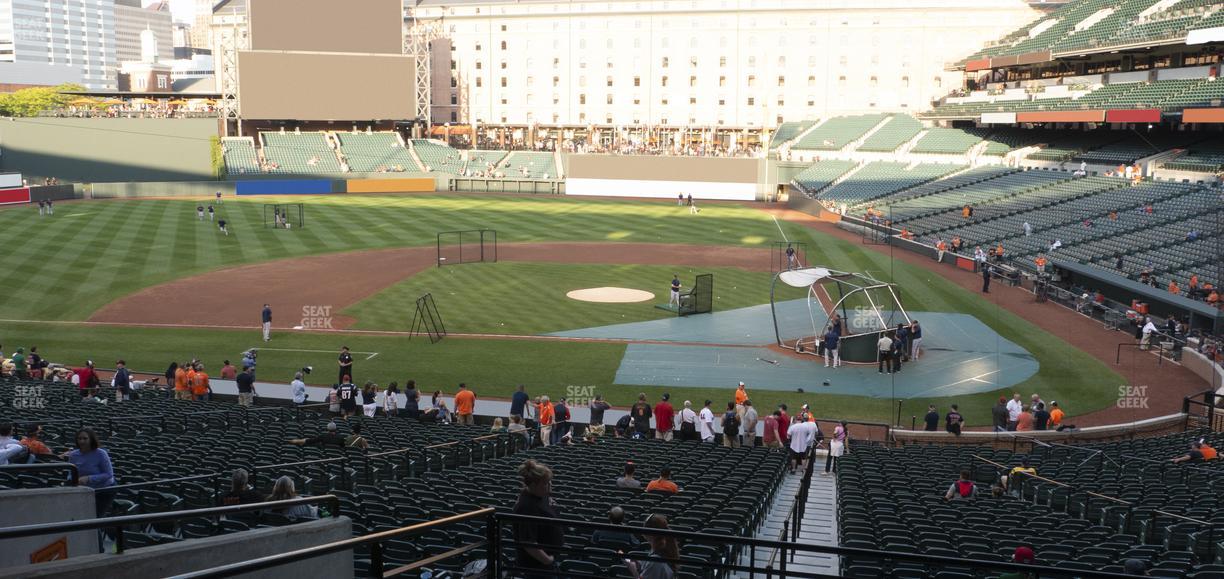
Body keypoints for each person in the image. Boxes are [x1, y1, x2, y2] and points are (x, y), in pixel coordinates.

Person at [511, 460, 564, 574]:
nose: (550, 485)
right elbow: (528, 542)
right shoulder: (527, 507)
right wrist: (547, 561)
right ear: (533, 485)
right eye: (545, 483)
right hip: (537, 566)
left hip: (547, 560)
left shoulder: (539, 495)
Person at [63, 428, 116, 520]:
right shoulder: (73, 455)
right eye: (79, 439)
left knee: (95, 517)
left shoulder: (101, 453)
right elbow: (71, 472)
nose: (82, 441)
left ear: (91, 439)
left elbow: (108, 474)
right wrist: (72, 479)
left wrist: (88, 478)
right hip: (85, 489)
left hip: (104, 490)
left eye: (85, 438)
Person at [627, 514, 679, 579]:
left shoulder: (655, 561)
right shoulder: (661, 549)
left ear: (650, 535)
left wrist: (633, 569)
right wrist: (639, 564)